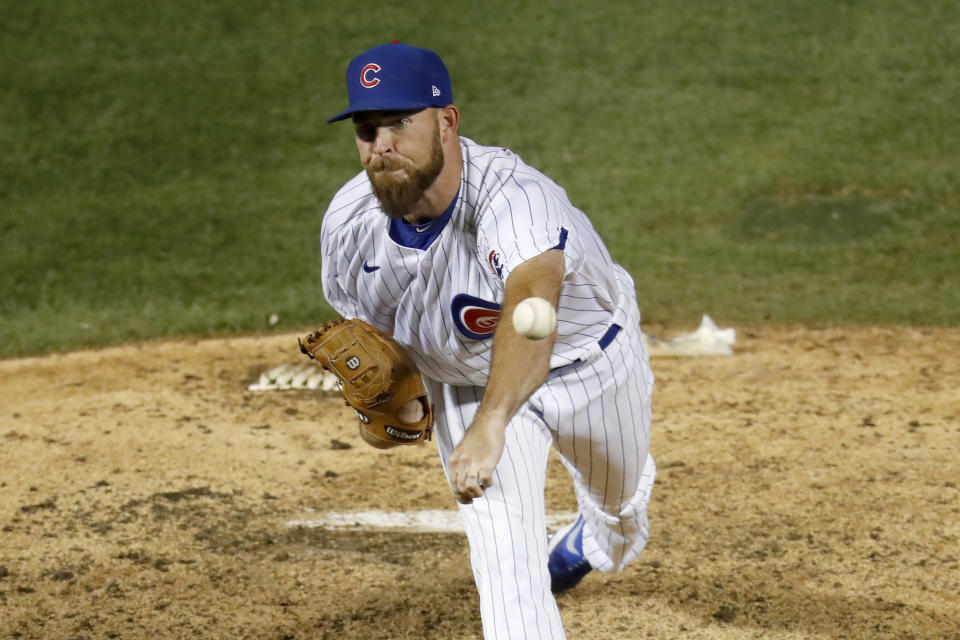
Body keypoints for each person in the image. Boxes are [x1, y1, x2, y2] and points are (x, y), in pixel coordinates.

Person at [320, 42, 656, 639]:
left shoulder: (513, 198)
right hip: (468, 386)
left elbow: (533, 307)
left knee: (620, 504)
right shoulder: (349, 227)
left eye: (400, 123)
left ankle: (596, 536)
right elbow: (372, 336)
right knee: (506, 568)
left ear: (446, 122)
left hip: (591, 365)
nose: (383, 145)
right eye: (368, 130)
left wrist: (494, 421)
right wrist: (400, 395)